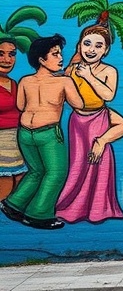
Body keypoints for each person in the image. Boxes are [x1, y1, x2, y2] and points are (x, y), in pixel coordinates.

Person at [0, 34, 84, 230]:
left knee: (36, 171)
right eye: (55, 54)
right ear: (41, 60)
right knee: (56, 173)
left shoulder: (25, 81)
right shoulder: (64, 82)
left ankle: (13, 204)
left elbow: (21, 105)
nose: (60, 58)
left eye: (60, 54)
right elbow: (79, 104)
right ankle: (38, 214)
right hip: (47, 134)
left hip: (25, 134)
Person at [56, 24, 123, 223]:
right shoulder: (71, 70)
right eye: (87, 44)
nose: (91, 49)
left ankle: (99, 210)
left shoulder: (109, 71)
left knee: (98, 164)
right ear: (79, 46)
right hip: (77, 123)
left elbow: (108, 95)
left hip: (98, 119)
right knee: (78, 165)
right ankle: (72, 207)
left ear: (106, 50)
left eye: (98, 46)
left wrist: (89, 76)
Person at [0, 38, 25, 200]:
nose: (7, 60)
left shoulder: (13, 83)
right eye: (0, 54)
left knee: (19, 183)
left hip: (16, 141)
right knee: (6, 185)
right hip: (2, 143)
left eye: (12, 54)